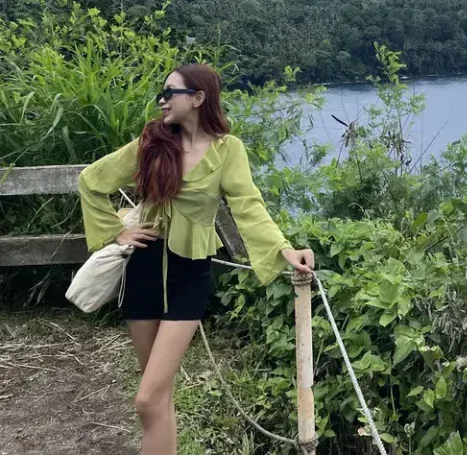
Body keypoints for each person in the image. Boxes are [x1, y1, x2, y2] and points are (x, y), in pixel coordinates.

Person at [77, 62, 314, 455]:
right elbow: (92, 180)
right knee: (158, 397)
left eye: (171, 93)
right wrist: (115, 232)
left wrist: (283, 249)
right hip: (144, 268)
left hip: (189, 275)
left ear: (199, 98)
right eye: (162, 93)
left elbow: (248, 205)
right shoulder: (150, 143)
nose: (162, 101)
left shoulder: (227, 150)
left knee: (146, 399)